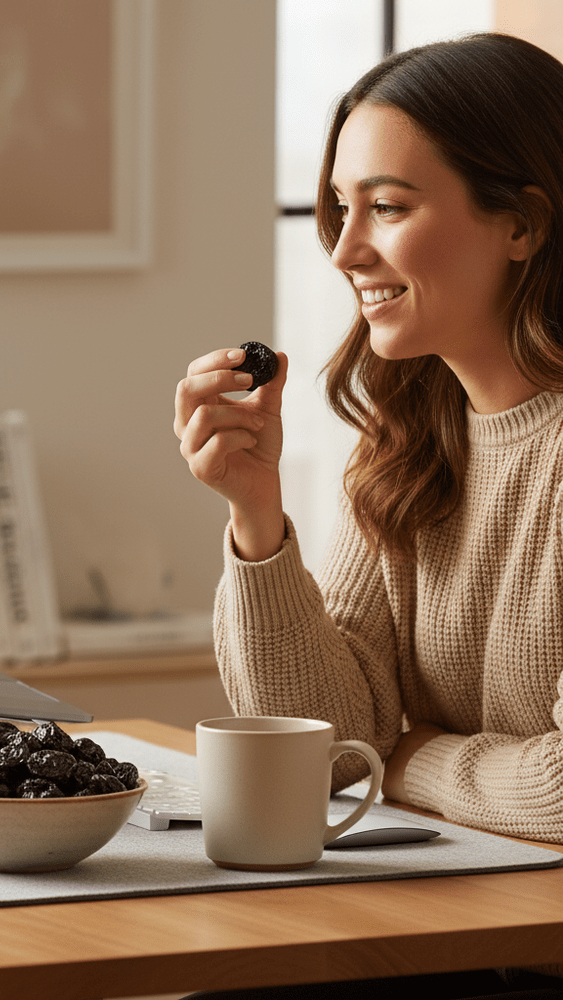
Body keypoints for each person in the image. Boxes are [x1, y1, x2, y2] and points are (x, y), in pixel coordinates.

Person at [174, 32, 563, 1000]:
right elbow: (319, 750)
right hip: (455, 925)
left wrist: (399, 758)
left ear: (521, 223)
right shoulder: (407, 432)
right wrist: (255, 518)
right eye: (340, 208)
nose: (345, 250)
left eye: (386, 208)